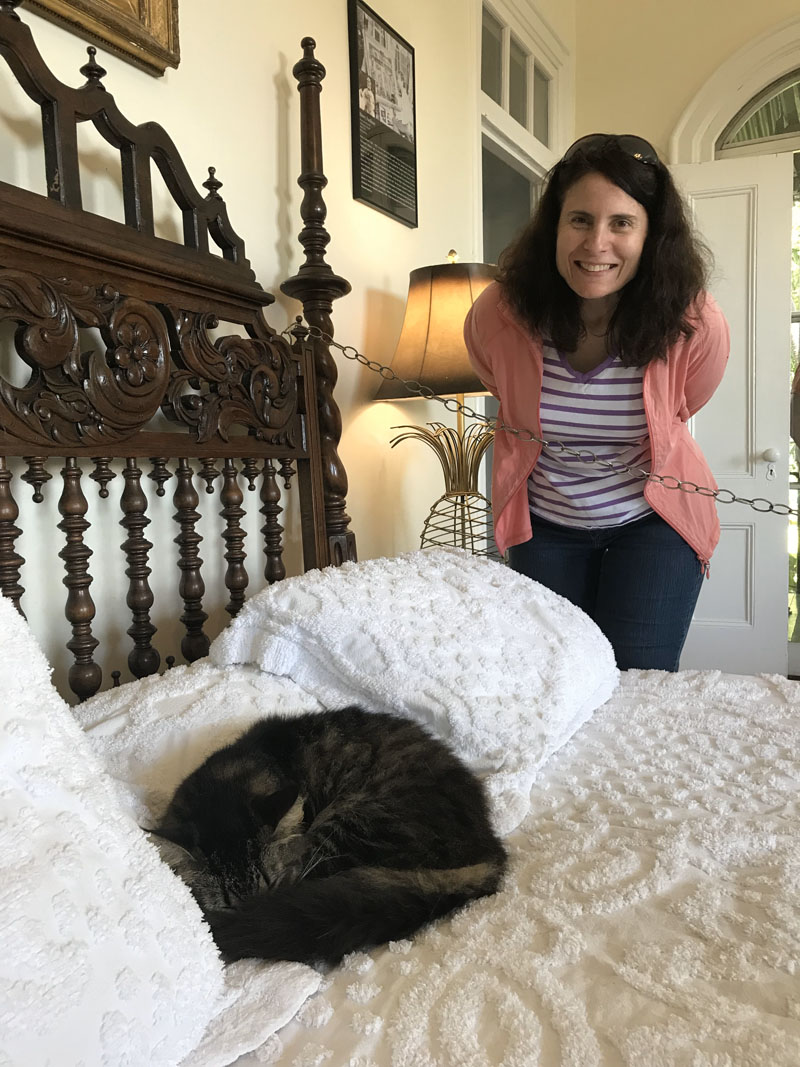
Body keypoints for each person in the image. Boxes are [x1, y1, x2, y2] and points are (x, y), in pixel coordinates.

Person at [464, 133, 730, 671]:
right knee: (556, 679)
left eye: (622, 223)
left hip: (654, 524)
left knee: (638, 683)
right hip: (545, 528)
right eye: (580, 220)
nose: (596, 244)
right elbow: (502, 385)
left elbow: (683, 406)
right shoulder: (499, 312)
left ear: (651, 234)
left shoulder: (695, 321)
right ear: (555, 228)